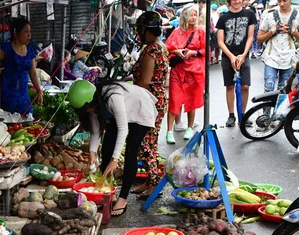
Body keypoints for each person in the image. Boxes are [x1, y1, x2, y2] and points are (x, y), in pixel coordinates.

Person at [66, 80, 157, 216]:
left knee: (131, 152)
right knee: (106, 148)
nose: (88, 112)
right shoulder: (92, 105)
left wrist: (115, 159)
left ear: (92, 101)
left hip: (140, 110)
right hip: (121, 116)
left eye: (88, 109)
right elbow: (96, 132)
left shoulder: (113, 97)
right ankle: (109, 192)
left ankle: (122, 199)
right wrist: (92, 152)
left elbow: (123, 129)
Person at [131, 11, 169, 199]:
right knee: (148, 142)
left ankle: (155, 183)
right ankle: (149, 180)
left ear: (146, 29)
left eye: (140, 29)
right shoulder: (157, 46)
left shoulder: (153, 49)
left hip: (150, 101)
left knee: (146, 143)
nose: (138, 32)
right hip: (155, 99)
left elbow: (145, 80)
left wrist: (127, 93)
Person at [165, 4, 206, 144]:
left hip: (194, 71)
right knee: (175, 99)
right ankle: (169, 131)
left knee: (192, 100)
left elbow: (205, 49)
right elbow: (167, 48)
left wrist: (193, 52)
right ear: (185, 16)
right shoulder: (177, 32)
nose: (193, 18)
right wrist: (177, 52)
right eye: (191, 15)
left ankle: (189, 127)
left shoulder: (200, 32)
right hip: (178, 70)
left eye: (195, 15)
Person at [0, 18, 43, 115]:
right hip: (7, 97)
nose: (29, 35)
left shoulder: (30, 50)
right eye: (26, 32)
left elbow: (33, 73)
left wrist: (39, 90)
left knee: (27, 122)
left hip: (23, 98)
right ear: (16, 33)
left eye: (30, 32)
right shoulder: (6, 49)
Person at [217, 0, 258, 127]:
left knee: (245, 86)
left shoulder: (250, 14)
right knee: (230, 86)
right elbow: (220, 41)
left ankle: (243, 114)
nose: (237, 1)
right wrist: (231, 56)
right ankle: (231, 115)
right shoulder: (223, 17)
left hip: (243, 55)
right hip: (227, 56)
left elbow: (250, 37)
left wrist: (243, 55)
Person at [257, 0, 299, 93]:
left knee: (284, 90)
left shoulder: (297, 15)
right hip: (271, 57)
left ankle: (280, 108)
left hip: (288, 58)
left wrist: (294, 32)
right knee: (269, 88)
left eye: (284, 1)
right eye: (279, 1)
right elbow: (259, 39)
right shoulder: (270, 15)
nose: (282, 4)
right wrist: (271, 32)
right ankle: (266, 107)